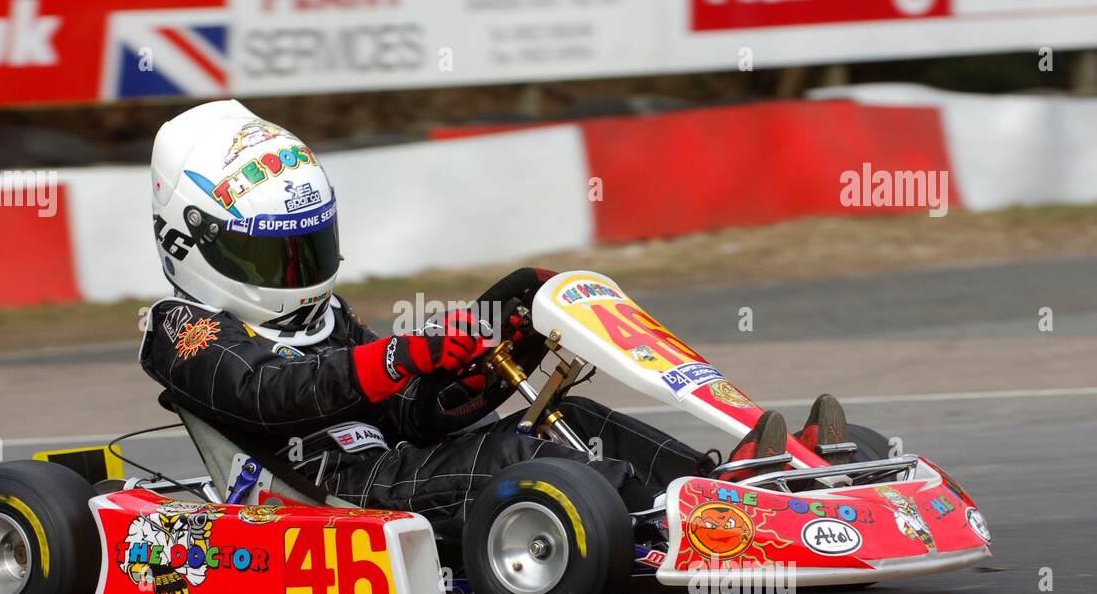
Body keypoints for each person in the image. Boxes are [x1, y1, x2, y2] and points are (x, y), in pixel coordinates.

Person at [139, 100, 851, 541]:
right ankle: (700, 523)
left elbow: (413, 417)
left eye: (307, 246)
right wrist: (406, 354)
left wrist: (478, 357)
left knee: (573, 418)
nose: (298, 271)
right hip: (336, 492)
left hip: (393, 467)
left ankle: (738, 482)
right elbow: (275, 393)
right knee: (519, 459)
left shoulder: (322, 315)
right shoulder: (178, 328)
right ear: (189, 241)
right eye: (272, 254)